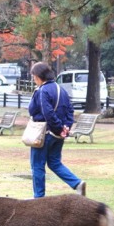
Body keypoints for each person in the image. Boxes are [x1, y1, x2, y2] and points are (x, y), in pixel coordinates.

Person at [27, 62, 86, 198]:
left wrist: (59, 128)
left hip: (44, 134)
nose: (33, 79)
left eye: (33, 76)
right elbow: (70, 110)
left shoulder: (42, 91)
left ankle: (38, 197)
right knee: (54, 163)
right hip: (57, 135)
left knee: (37, 166)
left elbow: (48, 113)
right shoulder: (61, 89)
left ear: (38, 76)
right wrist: (65, 127)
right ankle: (77, 183)